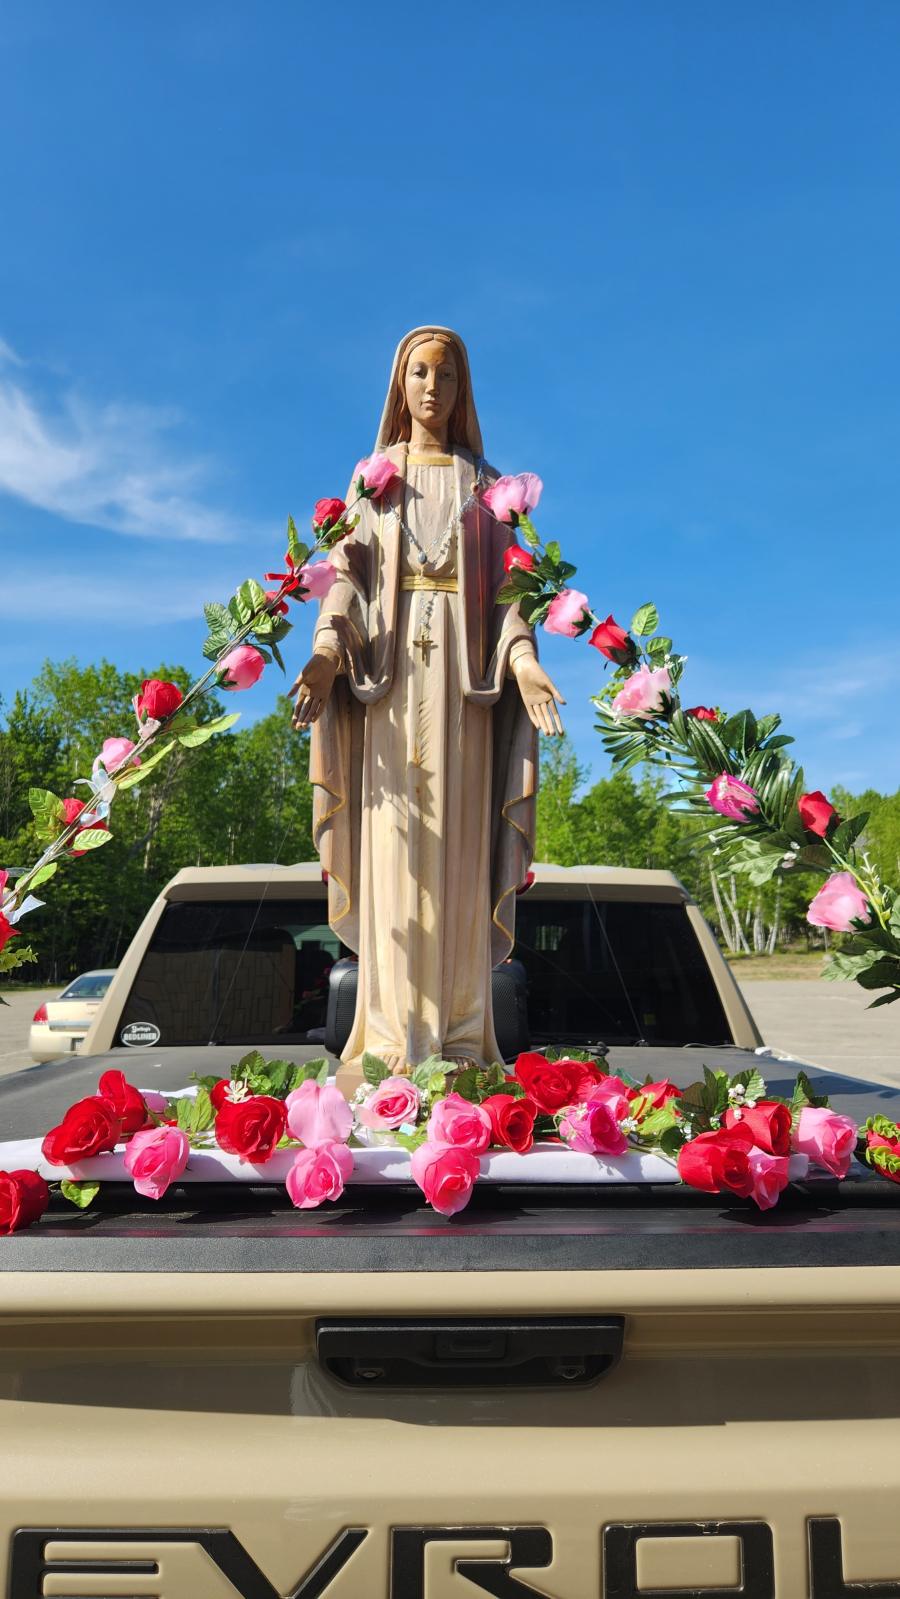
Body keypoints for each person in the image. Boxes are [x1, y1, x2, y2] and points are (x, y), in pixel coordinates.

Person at [290, 326, 564, 1077]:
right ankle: (386, 1041)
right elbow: (344, 575)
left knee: (458, 847)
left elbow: (512, 591)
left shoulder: (485, 483)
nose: (432, 387)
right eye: (419, 372)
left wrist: (524, 658)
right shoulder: (374, 479)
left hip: (467, 695)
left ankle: (462, 1039)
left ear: (462, 388)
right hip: (384, 685)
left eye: (446, 374)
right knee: (392, 848)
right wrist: (322, 653)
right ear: (399, 383)